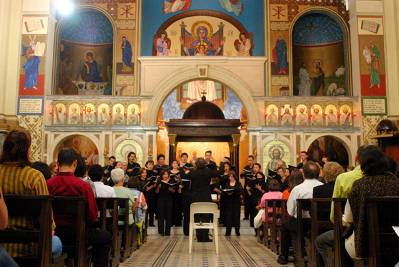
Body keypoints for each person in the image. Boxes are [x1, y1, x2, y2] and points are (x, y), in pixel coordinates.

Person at [0, 130, 62, 259]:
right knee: (57, 243)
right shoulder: (34, 176)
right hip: (29, 246)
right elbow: (47, 219)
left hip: (1, 245)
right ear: (27, 151)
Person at [47, 148, 110, 267]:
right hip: (78, 233)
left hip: (54, 233)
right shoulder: (83, 186)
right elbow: (92, 215)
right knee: (105, 237)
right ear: (75, 163)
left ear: (58, 163)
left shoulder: (48, 184)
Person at [344, 146, 399, 265]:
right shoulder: (396, 183)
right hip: (396, 240)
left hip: (367, 242)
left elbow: (349, 219)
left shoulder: (359, 185)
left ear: (363, 164)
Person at [315, 146, 366, 267]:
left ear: (356, 159)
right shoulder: (392, 181)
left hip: (351, 230)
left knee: (325, 240)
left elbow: (335, 217)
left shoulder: (346, 180)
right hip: (386, 232)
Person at [277, 161, 323, 264]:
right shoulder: (323, 186)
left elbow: (290, 210)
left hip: (302, 223)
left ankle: (284, 256)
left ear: (304, 174)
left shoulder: (298, 189)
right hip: (320, 223)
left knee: (285, 225)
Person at [188, 157, 218, 242]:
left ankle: (199, 237)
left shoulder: (193, 172)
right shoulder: (208, 171)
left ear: (196, 164)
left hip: (195, 197)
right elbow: (216, 174)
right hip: (206, 196)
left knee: (197, 217)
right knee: (206, 217)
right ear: (205, 164)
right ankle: (205, 237)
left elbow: (188, 178)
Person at [220, 171, 242, 236]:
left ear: (234, 177)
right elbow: (224, 192)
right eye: (229, 177)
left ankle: (237, 231)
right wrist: (227, 192)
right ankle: (228, 231)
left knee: (236, 216)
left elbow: (241, 191)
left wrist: (235, 192)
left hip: (236, 201)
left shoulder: (238, 183)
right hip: (229, 202)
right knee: (228, 216)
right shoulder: (227, 183)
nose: (230, 178)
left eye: (232, 176)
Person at [156, 170, 175, 236]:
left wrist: (171, 190)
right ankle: (161, 231)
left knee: (169, 216)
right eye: (164, 174)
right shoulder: (159, 181)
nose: (165, 176)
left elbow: (174, 191)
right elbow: (156, 192)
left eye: (167, 174)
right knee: (161, 216)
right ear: (162, 175)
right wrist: (158, 187)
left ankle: (167, 232)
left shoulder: (171, 181)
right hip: (161, 199)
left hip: (169, 199)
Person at [241, 155, 255, 220]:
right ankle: (246, 216)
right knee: (246, 201)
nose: (249, 161)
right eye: (248, 160)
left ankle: (253, 215)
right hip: (246, 186)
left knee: (252, 201)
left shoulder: (255, 167)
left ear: (253, 160)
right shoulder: (246, 167)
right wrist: (242, 173)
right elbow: (241, 177)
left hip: (253, 186)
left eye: (250, 160)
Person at [170, 160, 183, 226]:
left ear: (178, 165)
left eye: (176, 163)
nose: (175, 164)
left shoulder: (180, 172)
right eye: (174, 163)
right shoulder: (169, 172)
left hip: (178, 191)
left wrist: (179, 180)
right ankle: (171, 222)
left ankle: (178, 222)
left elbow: (182, 181)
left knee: (178, 206)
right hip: (171, 191)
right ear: (172, 164)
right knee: (171, 206)